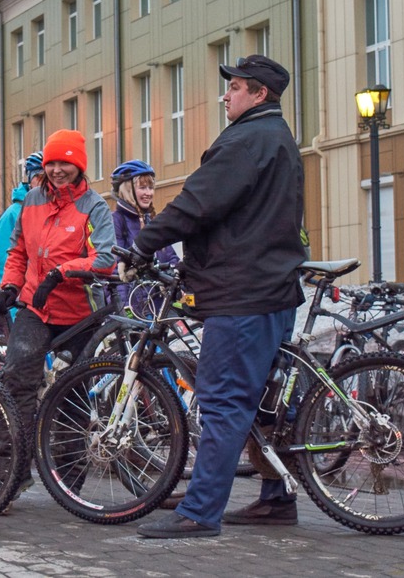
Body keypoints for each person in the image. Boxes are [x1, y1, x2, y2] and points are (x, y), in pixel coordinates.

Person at [129, 55, 306, 538]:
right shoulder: (279, 138)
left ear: (259, 94)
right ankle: (275, 499)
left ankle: (200, 512)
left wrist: (143, 243)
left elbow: (197, 202)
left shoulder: (246, 141)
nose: (226, 95)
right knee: (265, 404)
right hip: (272, 288)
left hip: (242, 293)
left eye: (235, 88)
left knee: (225, 401)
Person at [0, 129, 116, 493]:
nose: (57, 170)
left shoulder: (94, 207)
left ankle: (68, 478)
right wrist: (10, 286)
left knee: (74, 393)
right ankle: (11, 474)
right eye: (51, 163)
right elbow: (17, 251)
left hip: (80, 312)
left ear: (79, 166)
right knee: (16, 382)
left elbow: (105, 258)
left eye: (65, 163)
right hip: (36, 307)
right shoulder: (31, 200)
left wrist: (64, 272)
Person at [109, 160, 180, 314]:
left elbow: (171, 257)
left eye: (151, 187)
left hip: (159, 306)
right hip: (134, 309)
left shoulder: (152, 221)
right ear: (127, 190)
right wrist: (123, 310)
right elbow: (116, 270)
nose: (149, 193)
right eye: (142, 187)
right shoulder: (116, 220)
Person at [0, 151, 44, 283]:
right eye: (38, 177)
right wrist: (11, 291)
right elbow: (4, 259)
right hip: (25, 293)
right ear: (29, 179)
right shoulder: (13, 213)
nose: (43, 182)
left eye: (47, 177)